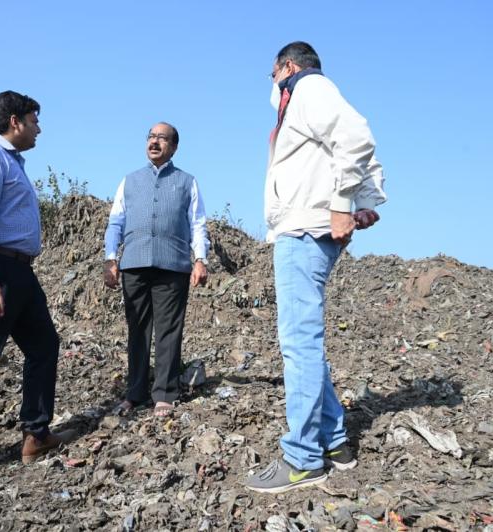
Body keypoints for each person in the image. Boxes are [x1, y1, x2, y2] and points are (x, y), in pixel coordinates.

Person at [245, 42, 387, 493]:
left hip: (304, 231)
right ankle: (335, 441)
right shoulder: (301, 101)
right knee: (303, 342)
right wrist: (364, 201)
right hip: (306, 227)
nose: (271, 84)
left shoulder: (308, 88)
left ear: (286, 67)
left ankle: (303, 459)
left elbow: (357, 136)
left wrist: (344, 204)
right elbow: (355, 154)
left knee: (299, 345)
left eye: (272, 74)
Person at [0, 90, 72, 481]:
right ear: (14, 121)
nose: (39, 128)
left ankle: (36, 434)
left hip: (19, 270)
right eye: (34, 120)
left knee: (44, 345)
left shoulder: (11, 162)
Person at [103, 122, 210, 418]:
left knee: (168, 331)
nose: (154, 142)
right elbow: (115, 222)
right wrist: (110, 258)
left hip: (173, 266)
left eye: (162, 138)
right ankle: (135, 393)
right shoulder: (130, 181)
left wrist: (200, 259)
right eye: (151, 136)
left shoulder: (187, 182)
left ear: (173, 147)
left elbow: (197, 223)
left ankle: (164, 393)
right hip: (134, 265)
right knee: (137, 330)